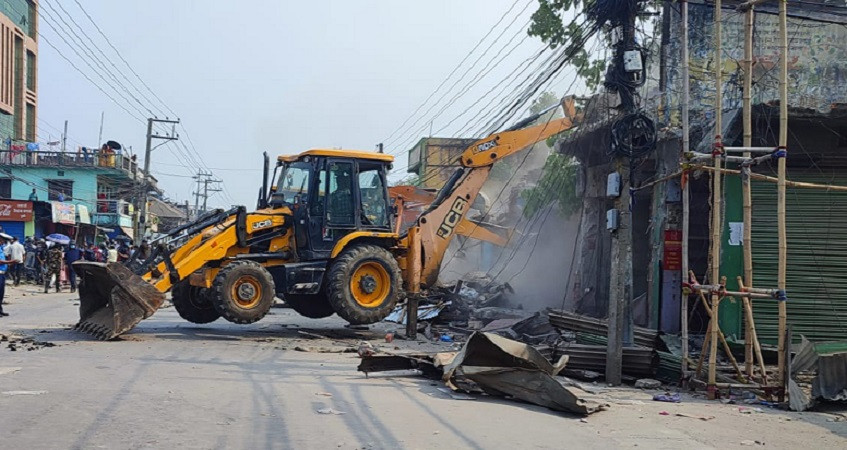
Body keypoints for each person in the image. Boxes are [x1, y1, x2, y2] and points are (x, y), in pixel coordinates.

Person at [0, 234, 18, 317]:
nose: (3, 242)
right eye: (2, 240)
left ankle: (0, 310)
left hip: (2, 274)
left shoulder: (1, 249)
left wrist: (8, 263)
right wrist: (11, 262)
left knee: (1, 293)